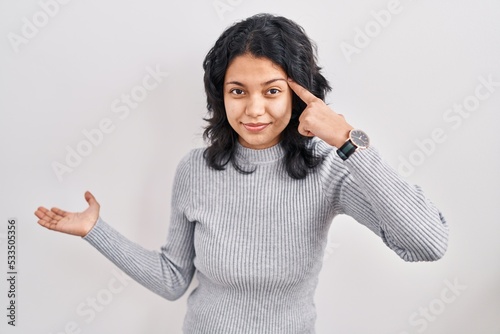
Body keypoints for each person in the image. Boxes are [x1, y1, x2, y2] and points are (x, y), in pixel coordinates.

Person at [34, 13, 449, 334]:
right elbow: (173, 280)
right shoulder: (195, 169)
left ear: (300, 94)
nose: (253, 109)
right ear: (221, 94)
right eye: (238, 91)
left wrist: (347, 140)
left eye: (272, 91)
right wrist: (95, 230)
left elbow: (427, 242)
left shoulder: (327, 169)